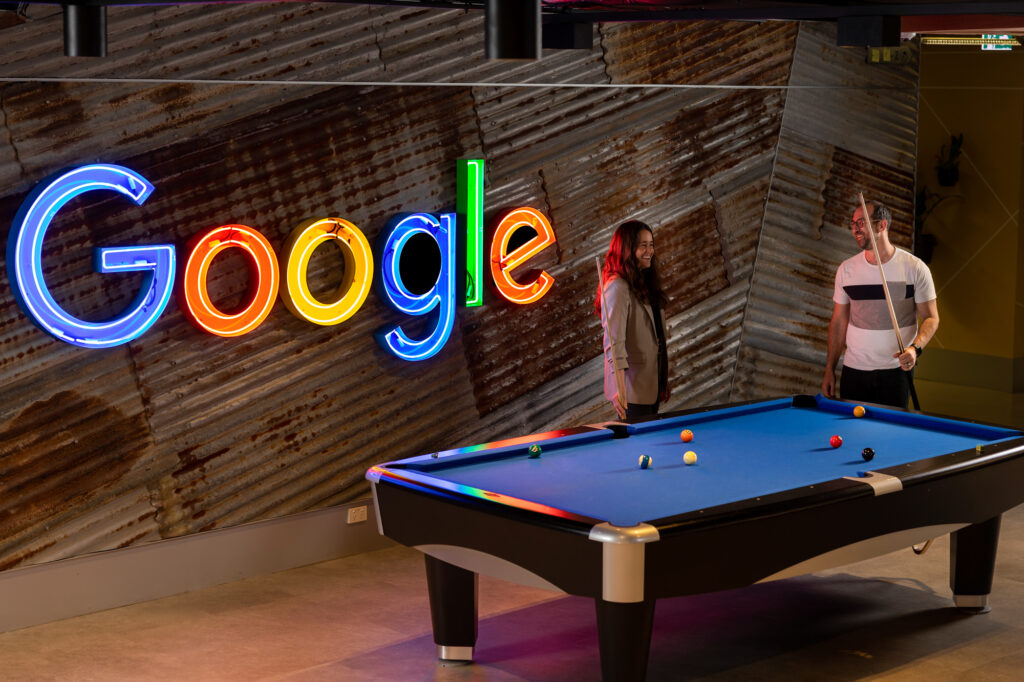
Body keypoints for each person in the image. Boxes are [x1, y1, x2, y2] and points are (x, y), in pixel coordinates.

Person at [822, 201, 939, 408]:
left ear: (882, 226)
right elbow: (839, 322)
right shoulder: (846, 270)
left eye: (862, 222)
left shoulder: (915, 268)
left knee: (891, 436)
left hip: (896, 372)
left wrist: (914, 350)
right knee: (853, 434)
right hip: (854, 371)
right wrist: (829, 369)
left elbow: (931, 318)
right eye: (853, 223)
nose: (855, 228)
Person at [596, 220, 670, 419]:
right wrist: (618, 389)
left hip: (651, 383)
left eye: (651, 244)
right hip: (631, 390)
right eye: (643, 245)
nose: (650, 251)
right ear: (627, 248)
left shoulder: (644, 281)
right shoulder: (617, 286)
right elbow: (614, 342)